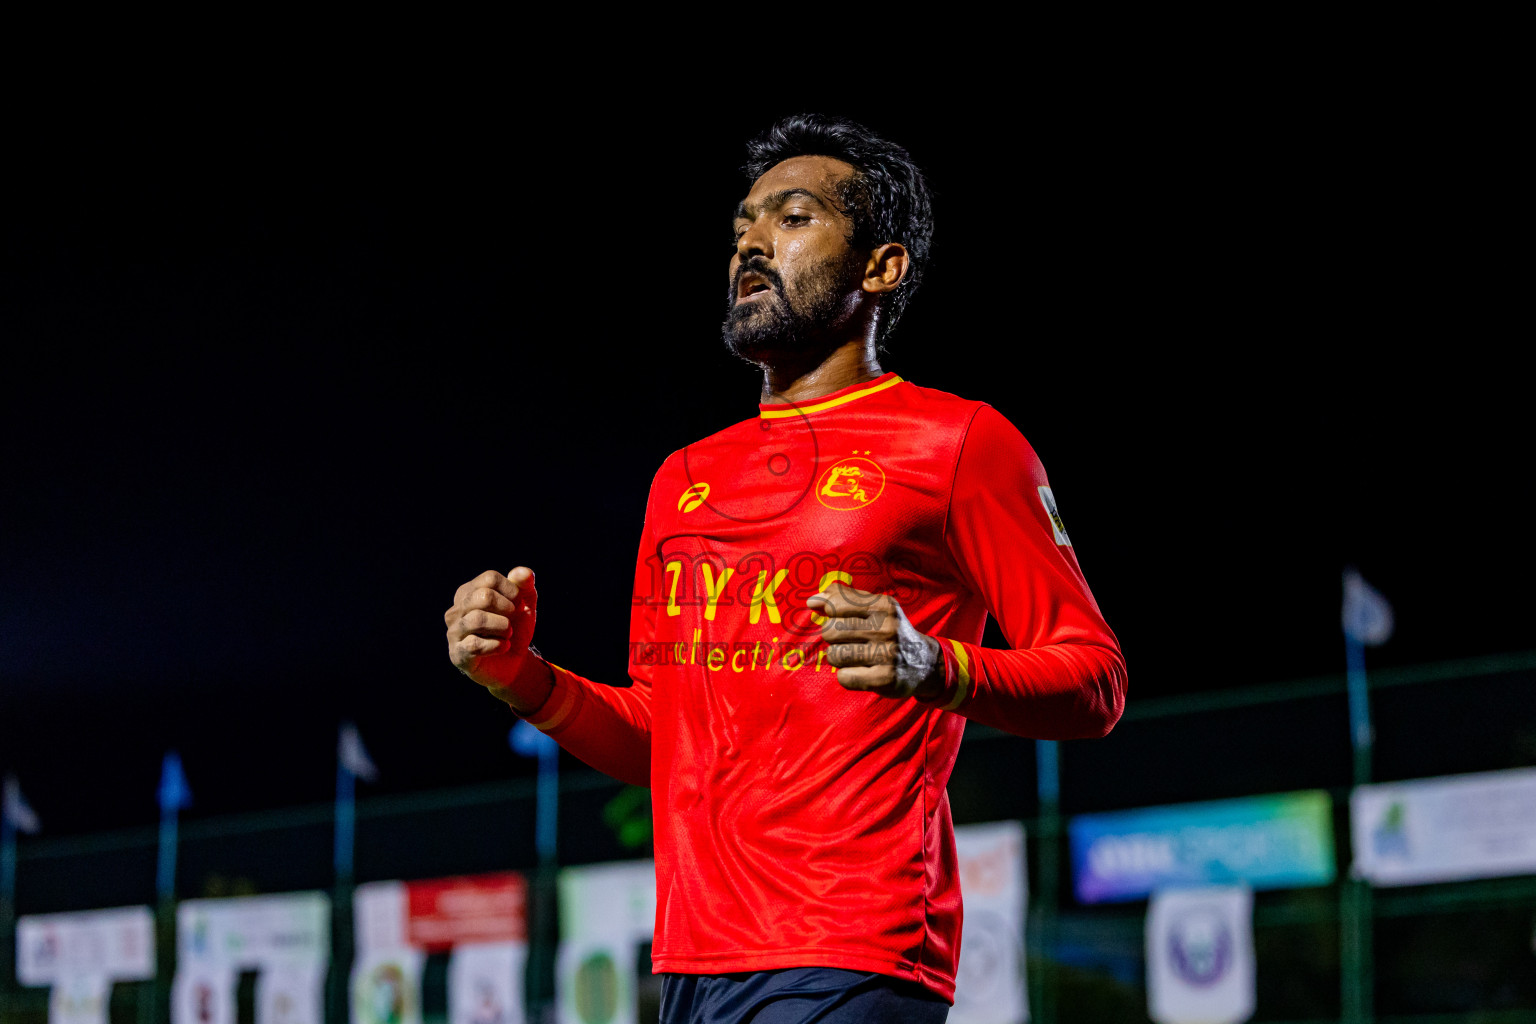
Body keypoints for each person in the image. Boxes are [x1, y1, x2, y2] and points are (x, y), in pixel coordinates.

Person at [444, 114, 1127, 1024]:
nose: (752, 245)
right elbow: (662, 737)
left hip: (857, 948)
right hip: (692, 961)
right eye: (742, 229)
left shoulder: (963, 443)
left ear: (882, 267)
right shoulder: (682, 478)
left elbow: (1096, 679)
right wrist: (521, 678)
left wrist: (938, 666)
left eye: (792, 219)